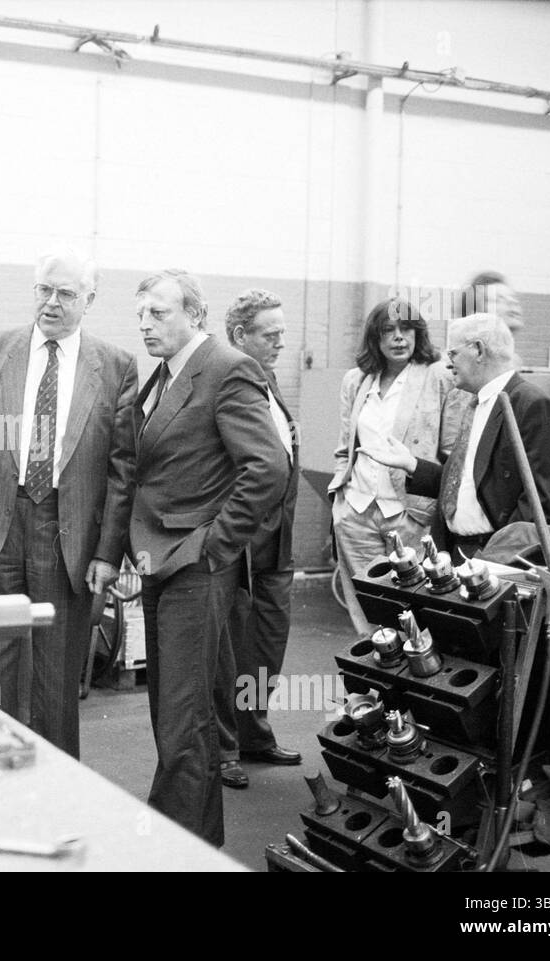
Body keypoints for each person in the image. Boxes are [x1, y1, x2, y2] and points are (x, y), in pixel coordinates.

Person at [0, 246, 137, 759]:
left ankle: (57, 786)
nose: (51, 303)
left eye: (66, 293)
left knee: (56, 678)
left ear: (88, 300)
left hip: (65, 535)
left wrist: (107, 553)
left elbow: (122, 471)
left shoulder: (115, 367)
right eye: (43, 290)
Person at [129, 269, 287, 847]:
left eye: (159, 313)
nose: (146, 324)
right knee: (177, 715)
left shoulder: (225, 367)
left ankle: (171, 842)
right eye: (141, 314)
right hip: (163, 562)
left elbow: (268, 467)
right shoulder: (164, 377)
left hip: (195, 564)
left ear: (194, 315)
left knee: (182, 715)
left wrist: (214, 545)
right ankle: (193, 843)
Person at [357, 313, 550, 557]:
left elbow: (544, 505)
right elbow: (466, 484)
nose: (448, 364)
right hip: (461, 552)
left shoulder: (531, 405)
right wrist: (412, 465)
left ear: (478, 350)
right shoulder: (477, 404)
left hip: (497, 559)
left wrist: (496, 560)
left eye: (453, 354)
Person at [328, 298, 463, 637]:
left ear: (418, 334)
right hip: (357, 511)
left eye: (406, 329)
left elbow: (452, 453)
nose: (398, 338)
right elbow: (345, 445)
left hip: (411, 515)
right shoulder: (356, 381)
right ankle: (374, 684)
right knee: (368, 610)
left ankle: (410, 684)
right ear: (375, 338)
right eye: (388, 330)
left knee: (415, 608)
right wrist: (339, 497)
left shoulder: (438, 376)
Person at [211, 289, 302, 791]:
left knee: (265, 651)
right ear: (241, 336)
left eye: (283, 334)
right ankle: (223, 749)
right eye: (272, 335)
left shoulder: (266, 384)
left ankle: (253, 734)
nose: (280, 344)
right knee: (227, 656)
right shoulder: (226, 382)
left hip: (276, 548)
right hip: (241, 545)